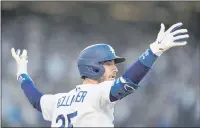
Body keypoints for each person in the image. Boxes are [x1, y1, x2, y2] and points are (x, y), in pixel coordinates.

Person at [11, 22, 189, 127]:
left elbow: (35, 99)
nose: (115, 68)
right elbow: (126, 83)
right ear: (93, 67)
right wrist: (153, 51)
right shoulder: (97, 93)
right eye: (109, 63)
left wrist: (22, 73)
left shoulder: (58, 100)